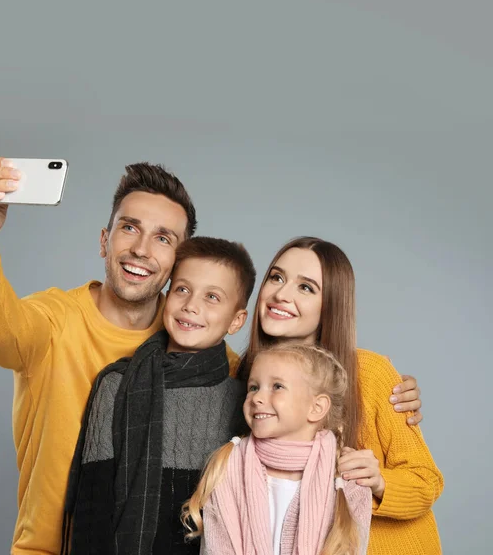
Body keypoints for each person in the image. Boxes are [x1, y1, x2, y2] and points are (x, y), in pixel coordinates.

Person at [0, 158, 235, 555]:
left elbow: (277, 400)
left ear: (176, 265)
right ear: (105, 239)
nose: (140, 249)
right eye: (129, 227)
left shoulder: (196, 344)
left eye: (163, 238)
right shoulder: (53, 320)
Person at [237, 237, 444, 554]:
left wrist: (378, 482)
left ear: (330, 305)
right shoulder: (241, 379)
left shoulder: (370, 374)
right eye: (276, 277)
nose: (281, 294)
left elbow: (426, 481)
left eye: (306, 288)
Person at [63, 237, 256, 555]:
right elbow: (92, 510)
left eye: (212, 297)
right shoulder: (118, 384)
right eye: (182, 289)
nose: (191, 305)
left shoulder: (244, 402)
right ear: (167, 295)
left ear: (236, 320)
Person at [182, 342, 373, 555]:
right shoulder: (227, 468)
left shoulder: (348, 482)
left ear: (316, 407)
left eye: (277, 387)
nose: (257, 398)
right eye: (253, 387)